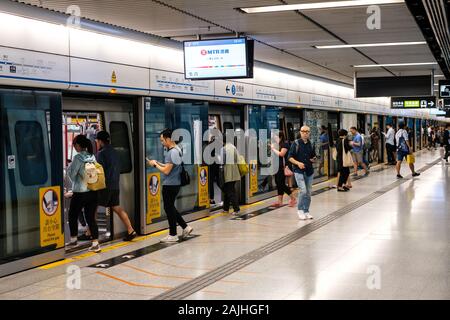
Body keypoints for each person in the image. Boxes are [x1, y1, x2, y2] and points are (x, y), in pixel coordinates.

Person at [147, 128, 193, 243]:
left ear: (168, 139)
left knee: (169, 208)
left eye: (162, 140)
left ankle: (173, 234)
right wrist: (157, 162)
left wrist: (154, 166)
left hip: (169, 185)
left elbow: (166, 171)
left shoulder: (171, 152)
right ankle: (185, 227)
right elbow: (170, 166)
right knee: (171, 207)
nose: (162, 143)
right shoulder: (177, 150)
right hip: (175, 184)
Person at [95, 131, 137, 241]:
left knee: (94, 208)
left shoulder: (101, 153)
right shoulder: (115, 152)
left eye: (97, 141)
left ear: (100, 141)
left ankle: (91, 233)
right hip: (115, 185)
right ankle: (130, 230)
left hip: (105, 186)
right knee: (116, 207)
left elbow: (99, 171)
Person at [66, 135, 101, 253]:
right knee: (91, 218)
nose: (74, 147)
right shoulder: (92, 156)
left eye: (74, 145)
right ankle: (95, 243)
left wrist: (69, 169)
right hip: (92, 191)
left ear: (77, 145)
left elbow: (72, 175)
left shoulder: (77, 158)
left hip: (80, 192)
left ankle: (73, 240)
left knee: (72, 215)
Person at [288, 126, 316, 220]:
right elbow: (290, 157)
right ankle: (300, 210)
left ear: (309, 133)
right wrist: (298, 163)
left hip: (309, 171)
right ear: (300, 132)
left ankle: (306, 211)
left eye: (307, 131)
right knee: (303, 190)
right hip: (298, 170)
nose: (305, 133)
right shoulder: (295, 144)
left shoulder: (311, 143)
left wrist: (313, 159)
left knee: (308, 192)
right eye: (303, 131)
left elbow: (313, 156)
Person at [270, 132, 297, 207]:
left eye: (276, 137)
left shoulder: (285, 144)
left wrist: (273, 149)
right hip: (277, 167)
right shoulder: (278, 145)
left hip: (283, 167)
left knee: (281, 184)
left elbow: (281, 154)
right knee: (278, 183)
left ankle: (293, 198)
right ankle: (279, 201)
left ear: (280, 137)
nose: (274, 139)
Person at [218, 134, 242, 215]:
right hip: (235, 172)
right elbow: (238, 159)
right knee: (228, 190)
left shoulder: (223, 149)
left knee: (230, 191)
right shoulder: (234, 147)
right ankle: (226, 208)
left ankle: (236, 209)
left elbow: (222, 161)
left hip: (227, 172)